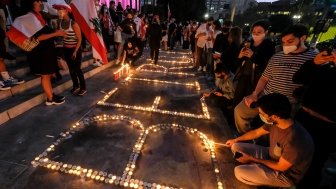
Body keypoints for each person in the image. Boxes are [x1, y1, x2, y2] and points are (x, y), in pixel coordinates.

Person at [234, 24, 317, 134]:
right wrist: (255, 94)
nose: (286, 45)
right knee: (240, 110)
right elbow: (264, 78)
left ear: (302, 38)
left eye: (290, 41)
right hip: (265, 97)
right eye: (284, 42)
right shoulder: (277, 57)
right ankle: (246, 136)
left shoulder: (314, 58)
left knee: (276, 131)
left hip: (288, 104)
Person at [225, 93, 314, 188]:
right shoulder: (276, 123)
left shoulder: (295, 141)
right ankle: (257, 167)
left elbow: (280, 166)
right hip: (270, 155)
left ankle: (268, 181)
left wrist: (252, 158)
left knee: (239, 172)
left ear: (275, 116)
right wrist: (236, 139)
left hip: (284, 174)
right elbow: (256, 133)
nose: (260, 115)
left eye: (262, 114)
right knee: (236, 146)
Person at [7, 0, 66, 105]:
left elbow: (45, 31)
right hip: (40, 52)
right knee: (45, 75)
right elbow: (39, 37)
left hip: (46, 50)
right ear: (31, 4)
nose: (41, 3)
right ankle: (50, 98)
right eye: (38, 1)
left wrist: (56, 30)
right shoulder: (30, 17)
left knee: (47, 75)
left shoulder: (39, 15)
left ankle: (51, 95)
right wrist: (56, 33)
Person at [293, 50, 336, 189]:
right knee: (293, 154)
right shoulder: (326, 68)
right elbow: (298, 78)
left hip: (325, 127)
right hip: (304, 117)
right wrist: (314, 63)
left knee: (313, 164)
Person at [233, 20, 275, 106]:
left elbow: (266, 64)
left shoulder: (268, 45)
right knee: (237, 97)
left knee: (249, 101)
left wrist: (253, 56)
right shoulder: (248, 43)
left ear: (266, 32)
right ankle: (233, 116)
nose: (256, 34)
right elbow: (237, 62)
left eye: (259, 32)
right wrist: (240, 56)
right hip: (243, 75)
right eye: (254, 32)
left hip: (256, 79)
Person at [57, 6, 86, 96]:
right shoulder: (60, 22)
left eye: (60, 10)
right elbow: (61, 35)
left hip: (75, 49)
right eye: (58, 10)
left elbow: (80, 39)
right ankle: (76, 85)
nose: (59, 12)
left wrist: (75, 51)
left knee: (77, 69)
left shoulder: (73, 23)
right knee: (71, 69)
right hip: (66, 49)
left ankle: (83, 87)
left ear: (66, 11)